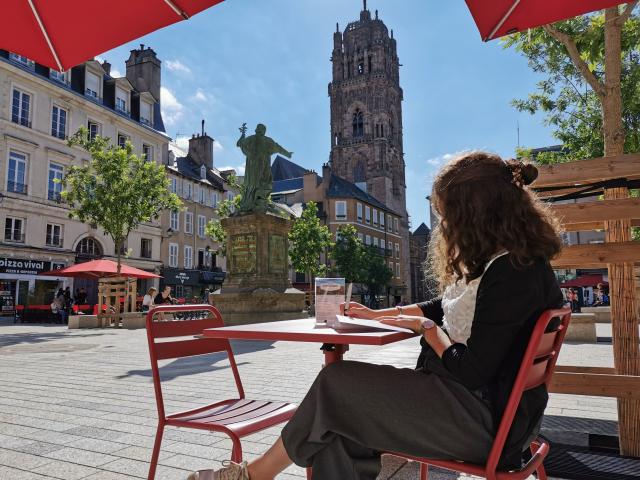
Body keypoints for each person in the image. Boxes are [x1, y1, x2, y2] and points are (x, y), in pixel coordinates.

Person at [186, 152, 564, 480]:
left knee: (336, 383)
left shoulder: (512, 272)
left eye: (448, 216)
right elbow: (448, 306)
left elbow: (470, 367)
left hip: (484, 424)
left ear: (476, 214)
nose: (445, 226)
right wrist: (383, 313)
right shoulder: (508, 264)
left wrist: (430, 332)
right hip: (479, 408)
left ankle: (253, 474)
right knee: (340, 425)